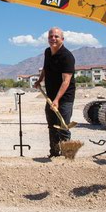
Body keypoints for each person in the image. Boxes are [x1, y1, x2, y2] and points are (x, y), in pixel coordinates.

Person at [34, 27, 75, 157]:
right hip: (51, 96)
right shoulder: (47, 52)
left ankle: (67, 155)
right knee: (52, 126)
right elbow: (45, 68)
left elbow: (66, 81)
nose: (53, 39)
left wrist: (57, 100)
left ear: (62, 39)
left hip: (64, 98)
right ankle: (54, 153)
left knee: (63, 126)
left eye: (56, 36)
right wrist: (39, 80)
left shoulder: (67, 56)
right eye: (51, 36)